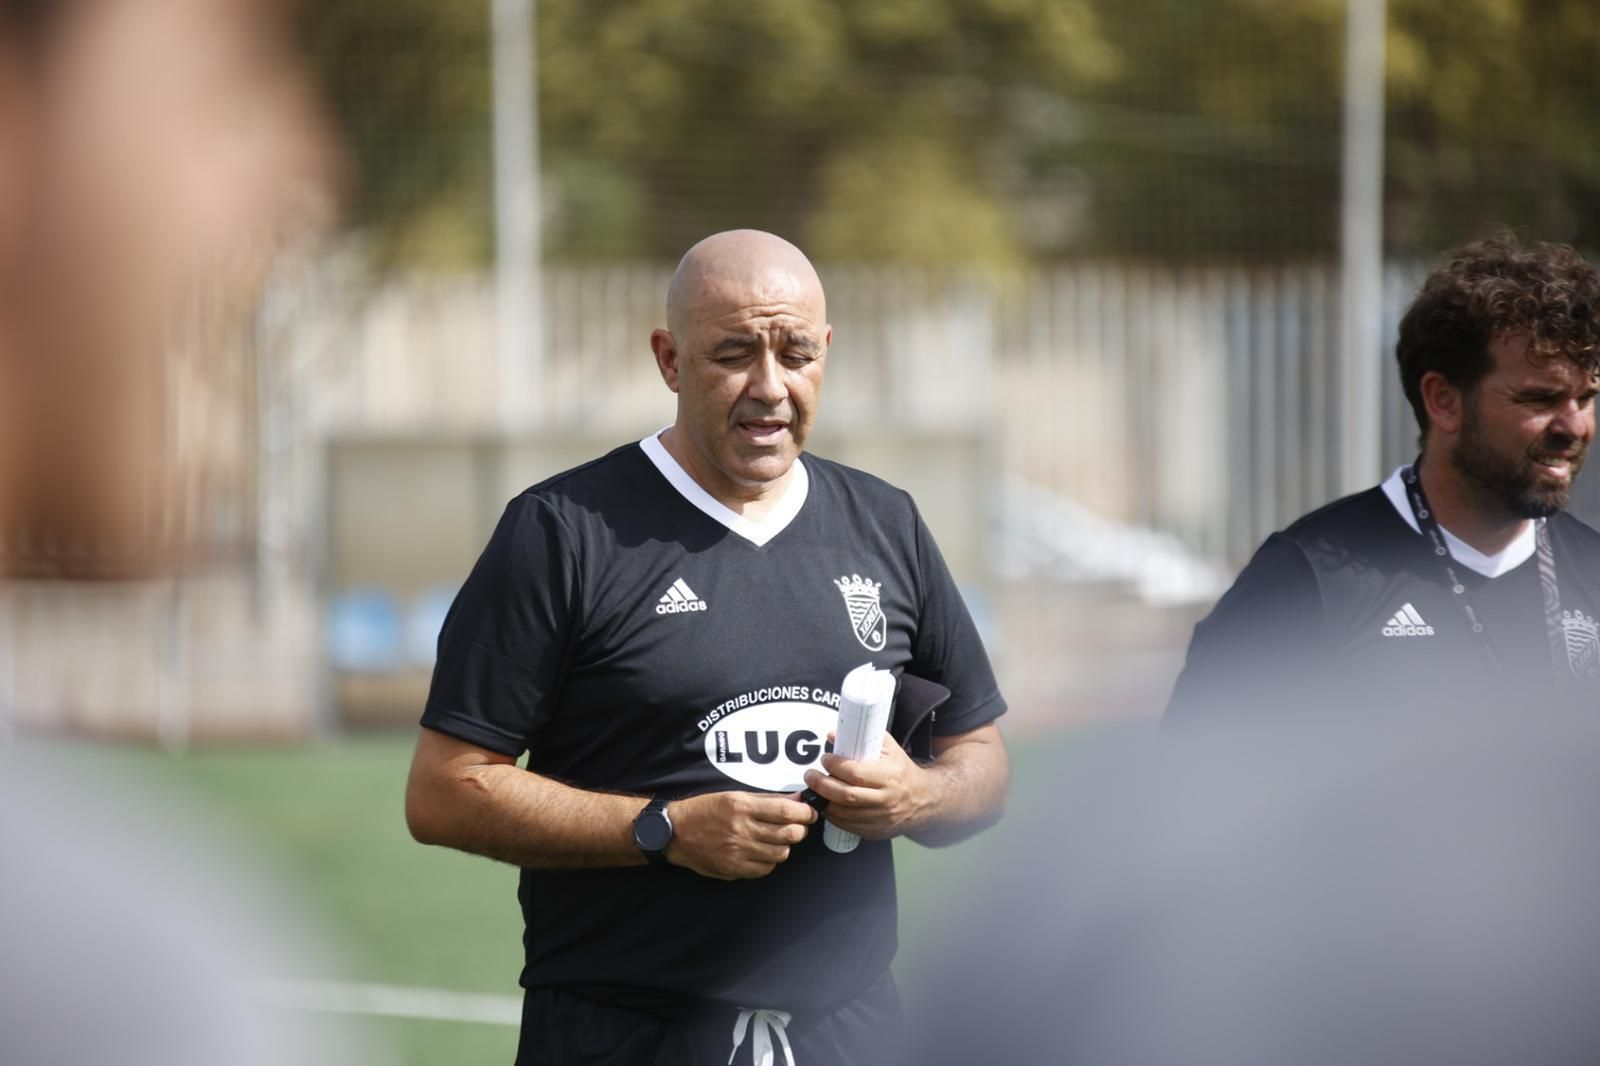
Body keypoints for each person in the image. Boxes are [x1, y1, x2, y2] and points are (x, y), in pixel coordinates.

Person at [405, 229, 1010, 1065]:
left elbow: (983, 760)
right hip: (625, 1035)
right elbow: (443, 792)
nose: (770, 386)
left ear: (825, 352)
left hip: (849, 1033)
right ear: (670, 359)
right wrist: (661, 830)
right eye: (734, 354)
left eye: (796, 353)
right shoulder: (562, 533)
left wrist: (917, 797)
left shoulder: (886, 524)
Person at [1167, 232, 1600, 722]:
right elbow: (1199, 763)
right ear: (1444, 401)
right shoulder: (1307, 580)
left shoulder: (1592, 571)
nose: (1575, 427)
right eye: (1540, 399)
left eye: (1586, 398)